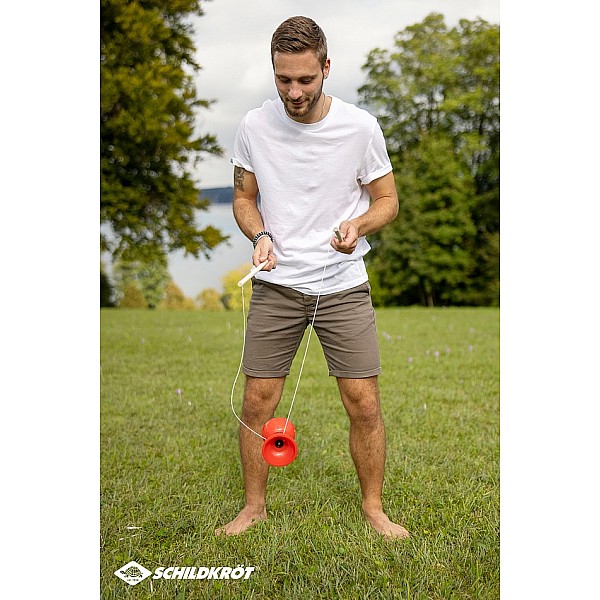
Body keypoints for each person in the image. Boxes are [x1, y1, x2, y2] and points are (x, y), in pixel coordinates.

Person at [216, 16, 409, 540]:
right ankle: (253, 507)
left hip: (342, 283)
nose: (294, 92)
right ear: (273, 71)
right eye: (284, 80)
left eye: (305, 79)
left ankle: (374, 508)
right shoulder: (254, 126)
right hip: (276, 282)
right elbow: (244, 197)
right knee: (257, 400)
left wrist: (358, 225)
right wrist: (259, 235)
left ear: (326, 67)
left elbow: (387, 200)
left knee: (363, 401)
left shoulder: (360, 127)